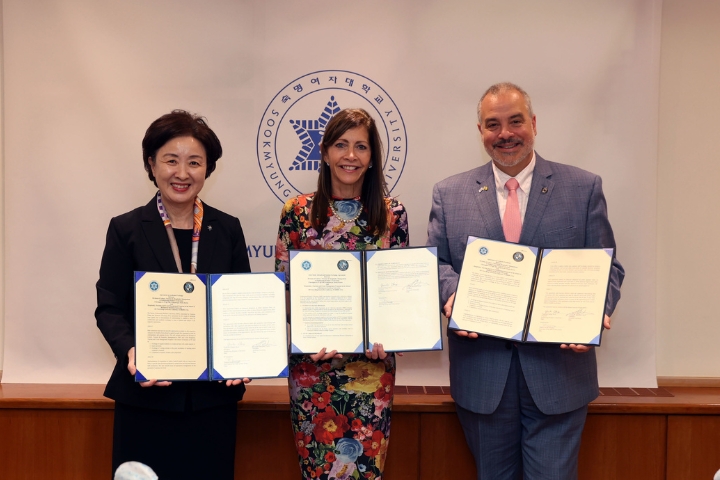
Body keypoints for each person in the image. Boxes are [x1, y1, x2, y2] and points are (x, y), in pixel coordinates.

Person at [426, 83, 625, 480]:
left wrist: (595, 311)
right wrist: (452, 295)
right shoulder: (449, 193)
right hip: (482, 374)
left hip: (560, 373)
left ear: (533, 124)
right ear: (480, 131)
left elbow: (607, 268)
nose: (505, 134)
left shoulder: (583, 187)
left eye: (515, 121)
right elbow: (438, 264)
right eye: (492, 124)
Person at [95, 110, 251, 480]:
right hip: (146, 399)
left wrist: (242, 354)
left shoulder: (227, 229)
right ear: (151, 164)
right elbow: (109, 307)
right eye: (171, 160)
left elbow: (241, 306)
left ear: (208, 169)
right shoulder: (127, 228)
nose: (182, 173)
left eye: (194, 162)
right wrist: (132, 352)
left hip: (211, 402)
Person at [275, 108, 409, 480]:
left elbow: (396, 293)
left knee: (365, 472)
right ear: (324, 152)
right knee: (318, 470)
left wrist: (390, 333)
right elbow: (283, 291)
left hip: (372, 367)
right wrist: (306, 333)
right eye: (341, 145)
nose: (351, 155)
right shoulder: (297, 213)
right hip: (313, 370)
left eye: (361, 147)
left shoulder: (392, 214)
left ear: (372, 157)